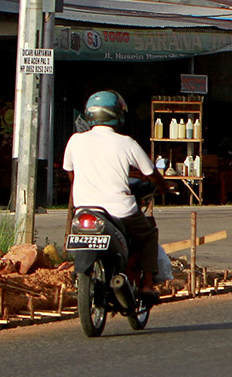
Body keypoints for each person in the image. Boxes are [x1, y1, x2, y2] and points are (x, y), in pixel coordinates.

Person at [62, 90, 164, 301]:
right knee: (148, 233)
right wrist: (164, 186)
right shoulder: (126, 142)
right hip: (120, 211)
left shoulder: (75, 140)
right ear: (117, 115)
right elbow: (150, 173)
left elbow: (71, 174)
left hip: (85, 210)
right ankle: (147, 286)